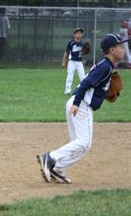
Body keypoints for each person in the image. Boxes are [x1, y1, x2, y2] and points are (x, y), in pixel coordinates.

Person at [37, 33, 127, 184]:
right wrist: (77, 104)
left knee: (81, 145)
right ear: (112, 50)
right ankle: (51, 158)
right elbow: (85, 84)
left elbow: (92, 85)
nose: (123, 49)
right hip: (81, 105)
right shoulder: (105, 67)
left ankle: (58, 170)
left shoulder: (105, 65)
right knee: (84, 143)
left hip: (77, 103)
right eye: (120, 46)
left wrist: (102, 92)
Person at [62, 27, 86, 95]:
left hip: (79, 62)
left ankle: (83, 90)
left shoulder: (83, 43)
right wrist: (64, 62)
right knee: (70, 76)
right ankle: (67, 91)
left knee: (83, 77)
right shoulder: (71, 43)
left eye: (80, 33)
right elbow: (66, 52)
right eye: (77, 33)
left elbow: (84, 52)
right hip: (72, 62)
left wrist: (85, 51)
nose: (79, 35)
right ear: (74, 35)